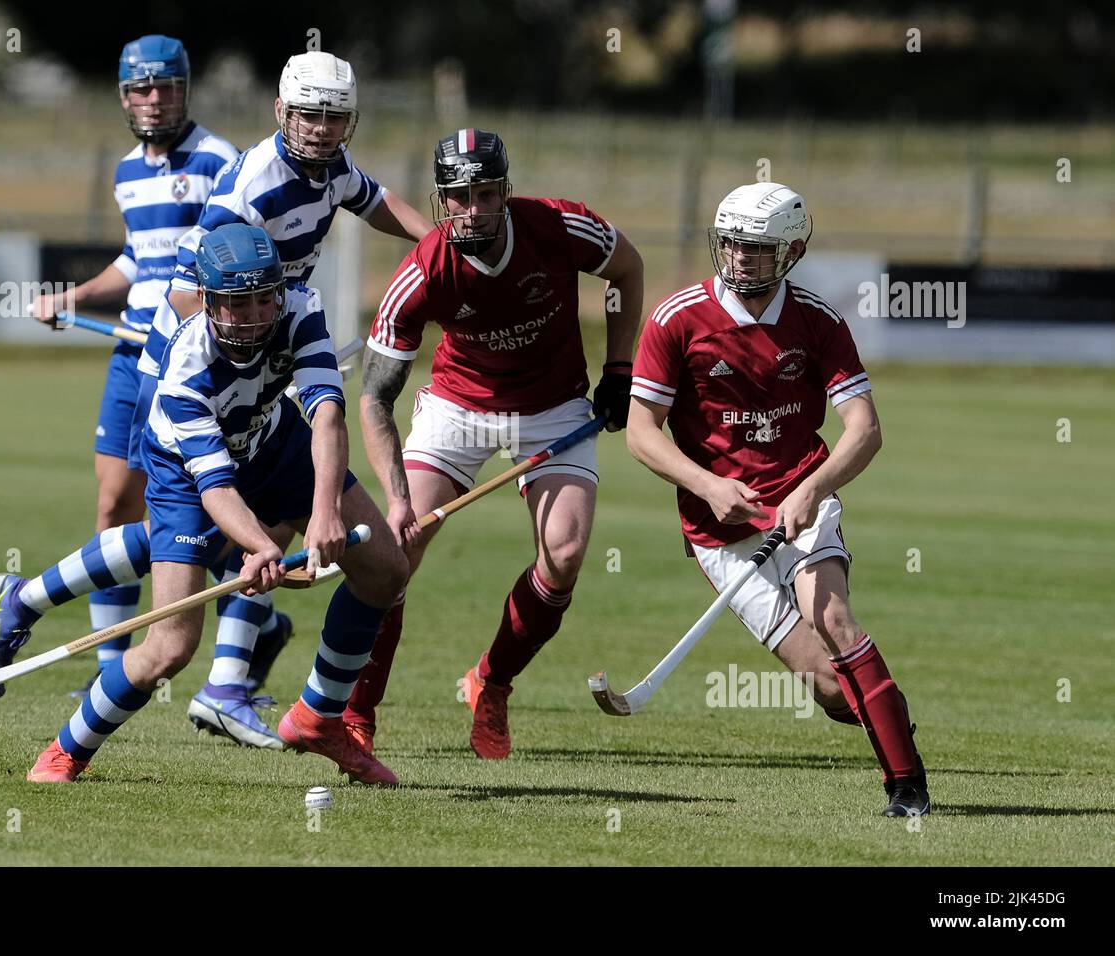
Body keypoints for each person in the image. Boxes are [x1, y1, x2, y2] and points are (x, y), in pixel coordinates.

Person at [0, 51, 429, 750]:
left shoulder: (331, 167)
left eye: (335, 117)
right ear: (282, 113)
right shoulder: (249, 183)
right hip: (196, 363)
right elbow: (188, 287)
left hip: (264, 350)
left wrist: (439, 250)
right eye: (309, 115)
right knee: (186, 533)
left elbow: (377, 204)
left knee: (228, 538)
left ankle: (234, 686)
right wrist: (240, 337)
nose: (320, 129)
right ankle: (160, 671)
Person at [27, 223, 409, 785]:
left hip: (274, 443)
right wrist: (262, 548)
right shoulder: (185, 371)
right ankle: (65, 751)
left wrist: (324, 512)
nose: (255, 315)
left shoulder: (300, 306)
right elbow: (216, 489)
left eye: (263, 298)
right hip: (185, 472)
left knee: (385, 571)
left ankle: (318, 716)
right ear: (206, 300)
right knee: (170, 647)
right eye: (237, 303)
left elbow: (326, 411)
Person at [625, 181, 930, 817]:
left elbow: (865, 430)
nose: (740, 258)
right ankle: (887, 714)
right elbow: (640, 432)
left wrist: (811, 489)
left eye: (757, 249)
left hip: (801, 499)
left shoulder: (819, 323)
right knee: (826, 685)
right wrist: (707, 486)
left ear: (790, 251)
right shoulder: (675, 319)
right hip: (717, 531)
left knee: (833, 617)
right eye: (731, 244)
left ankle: (908, 789)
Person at [354, 128, 644, 759]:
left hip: (555, 408)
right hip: (458, 407)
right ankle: (355, 714)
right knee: (394, 554)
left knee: (563, 555)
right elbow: (374, 399)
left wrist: (620, 367)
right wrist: (397, 500)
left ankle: (492, 681)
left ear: (505, 191)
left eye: (486, 194)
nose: (474, 209)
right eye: (459, 197)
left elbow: (627, 267)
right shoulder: (422, 271)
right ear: (441, 199)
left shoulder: (560, 226)